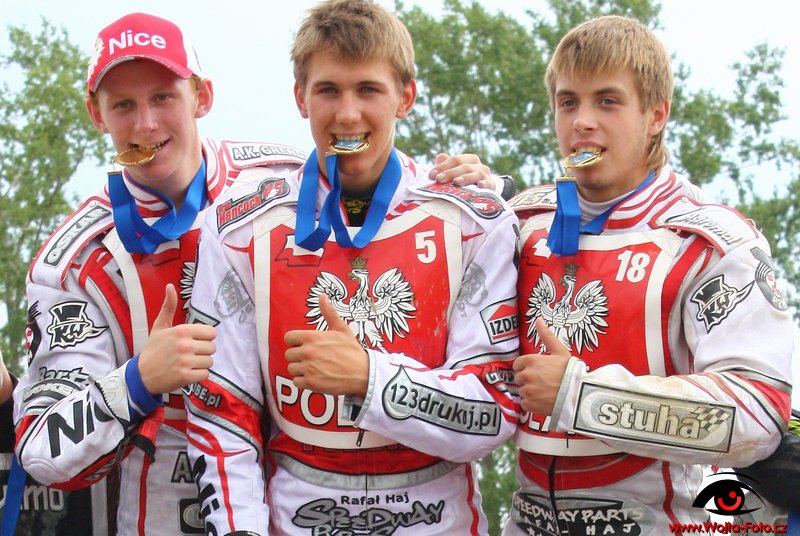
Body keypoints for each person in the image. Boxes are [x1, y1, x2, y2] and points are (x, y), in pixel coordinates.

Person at [183, 1, 519, 534]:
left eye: (368, 89)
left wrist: (370, 379)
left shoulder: (474, 223)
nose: (347, 114)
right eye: (328, 90)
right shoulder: (238, 230)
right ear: (300, 97)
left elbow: (494, 411)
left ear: (405, 97)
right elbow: (222, 420)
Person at [11, 12, 308, 536]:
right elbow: (42, 450)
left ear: (202, 96)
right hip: (165, 515)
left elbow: (404, 210)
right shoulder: (75, 260)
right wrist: (137, 381)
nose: (145, 124)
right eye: (123, 105)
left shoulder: (288, 182)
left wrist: (460, 180)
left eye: (163, 97)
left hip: (302, 503)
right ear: (96, 114)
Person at [505, 15, 793, 535]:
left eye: (607, 101)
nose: (583, 122)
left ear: (656, 114)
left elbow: (756, 413)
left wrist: (582, 397)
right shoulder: (520, 222)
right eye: (568, 102)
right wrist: (463, 192)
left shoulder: (709, 240)